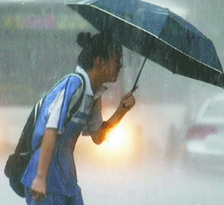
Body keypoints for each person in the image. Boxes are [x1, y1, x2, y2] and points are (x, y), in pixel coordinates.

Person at [21, 31, 137, 205]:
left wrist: (121, 111)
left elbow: (97, 136)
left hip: (67, 183)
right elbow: (51, 130)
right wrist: (40, 178)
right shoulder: (74, 85)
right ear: (99, 61)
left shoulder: (94, 95)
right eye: (116, 59)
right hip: (47, 182)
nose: (120, 66)